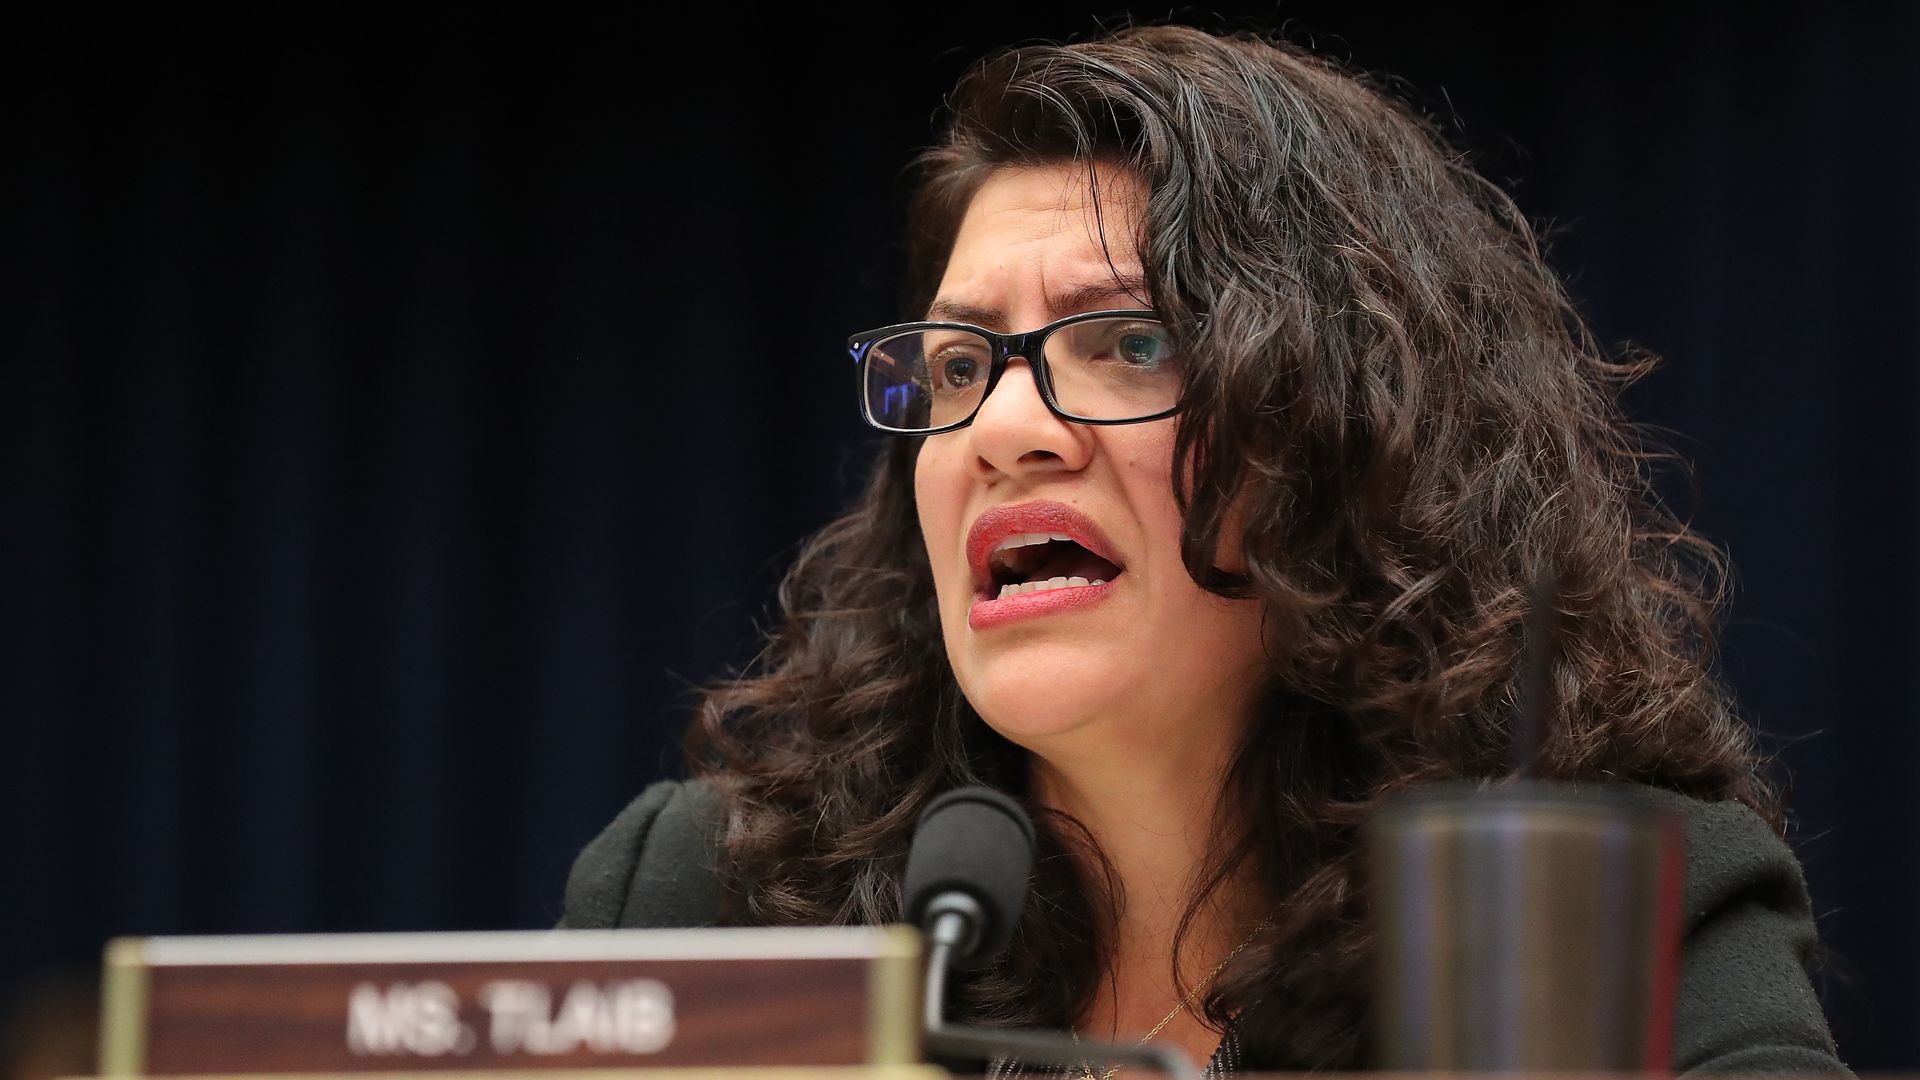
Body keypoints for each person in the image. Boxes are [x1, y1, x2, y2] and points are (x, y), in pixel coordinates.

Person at [560, 25, 1846, 1075]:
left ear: (1355, 429)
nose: (1005, 428)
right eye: (957, 363)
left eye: (1127, 341)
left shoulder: (1601, 915)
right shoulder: (710, 896)